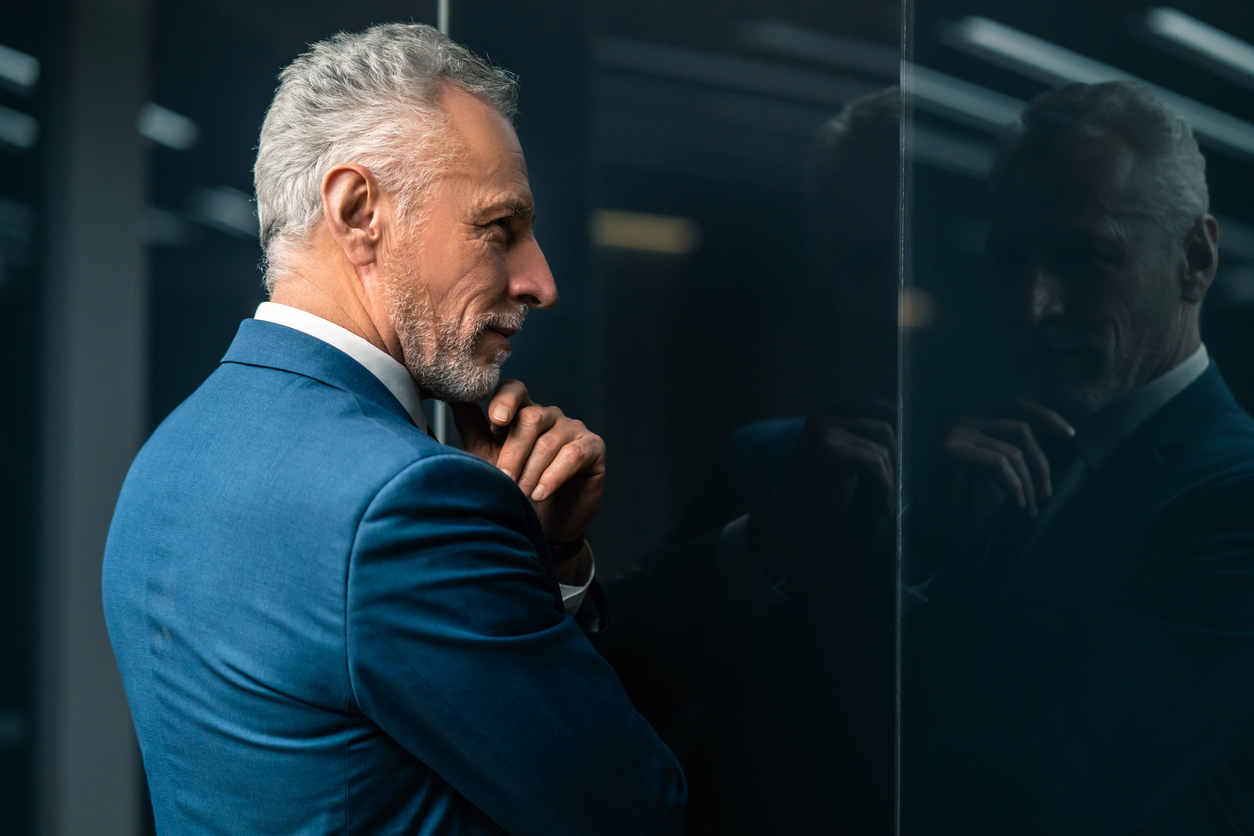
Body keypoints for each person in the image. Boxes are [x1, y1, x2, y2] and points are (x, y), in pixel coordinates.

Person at [102, 24, 685, 835]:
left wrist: (531, 549)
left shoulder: (166, 458)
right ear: (359, 211)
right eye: (499, 228)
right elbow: (634, 812)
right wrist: (535, 564)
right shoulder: (408, 503)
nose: (541, 282)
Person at [906, 81, 1254, 834]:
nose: (1034, 306)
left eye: (1084, 258)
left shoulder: (1240, 501)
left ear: (1196, 259)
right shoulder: (1014, 465)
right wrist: (921, 548)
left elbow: (1043, 792)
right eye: (1009, 261)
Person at [602, 88, 902, 835]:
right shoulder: (768, 463)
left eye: (911, 259)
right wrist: (769, 541)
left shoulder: (1069, 476)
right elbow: (621, 666)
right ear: (822, 273)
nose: (890, 298)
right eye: (863, 263)